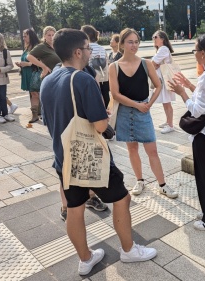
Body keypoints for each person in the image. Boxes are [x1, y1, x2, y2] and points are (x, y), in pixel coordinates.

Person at [41, 29, 157, 275]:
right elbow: (101, 126)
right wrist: (104, 117)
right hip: (90, 157)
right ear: (77, 52)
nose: (91, 51)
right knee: (122, 199)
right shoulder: (82, 79)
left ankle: (85, 259)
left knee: (74, 208)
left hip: (64, 158)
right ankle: (128, 250)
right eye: (88, 46)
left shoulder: (48, 80)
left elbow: (49, 120)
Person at [167, 34, 205, 230]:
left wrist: (182, 92)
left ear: (202, 53)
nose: (194, 53)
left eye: (195, 50)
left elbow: (197, 109)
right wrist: (189, 84)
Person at [108, 28, 178, 199]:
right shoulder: (114, 67)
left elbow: (158, 85)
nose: (134, 45)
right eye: (130, 42)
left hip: (143, 111)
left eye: (136, 41)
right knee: (132, 149)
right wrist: (137, 105)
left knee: (152, 149)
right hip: (125, 112)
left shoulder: (146, 63)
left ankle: (162, 184)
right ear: (122, 44)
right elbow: (115, 94)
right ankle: (139, 180)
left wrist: (148, 104)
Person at [27, 26, 61, 121]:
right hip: (49, 77)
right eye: (48, 35)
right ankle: (48, 118)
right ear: (44, 36)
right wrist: (43, 66)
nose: (51, 37)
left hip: (60, 76)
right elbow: (29, 57)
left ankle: (56, 117)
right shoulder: (42, 47)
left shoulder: (58, 46)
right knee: (49, 99)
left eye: (53, 35)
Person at [151, 30, 176, 134]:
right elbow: (154, 63)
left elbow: (153, 62)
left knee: (167, 102)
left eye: (155, 37)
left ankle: (170, 125)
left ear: (162, 39)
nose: (154, 39)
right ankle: (168, 121)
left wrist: (155, 64)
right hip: (163, 77)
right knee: (165, 102)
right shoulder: (161, 49)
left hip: (165, 78)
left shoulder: (164, 49)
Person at [81, 25, 110, 109]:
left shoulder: (86, 48)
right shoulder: (101, 48)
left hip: (92, 76)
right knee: (105, 95)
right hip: (103, 77)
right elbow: (106, 61)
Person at [15, 28, 40, 123]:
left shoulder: (37, 47)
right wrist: (21, 64)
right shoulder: (27, 47)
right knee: (32, 93)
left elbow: (39, 61)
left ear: (31, 36)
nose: (23, 38)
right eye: (23, 36)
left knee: (35, 93)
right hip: (27, 73)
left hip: (35, 73)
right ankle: (35, 113)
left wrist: (27, 64)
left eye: (25, 36)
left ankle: (38, 113)